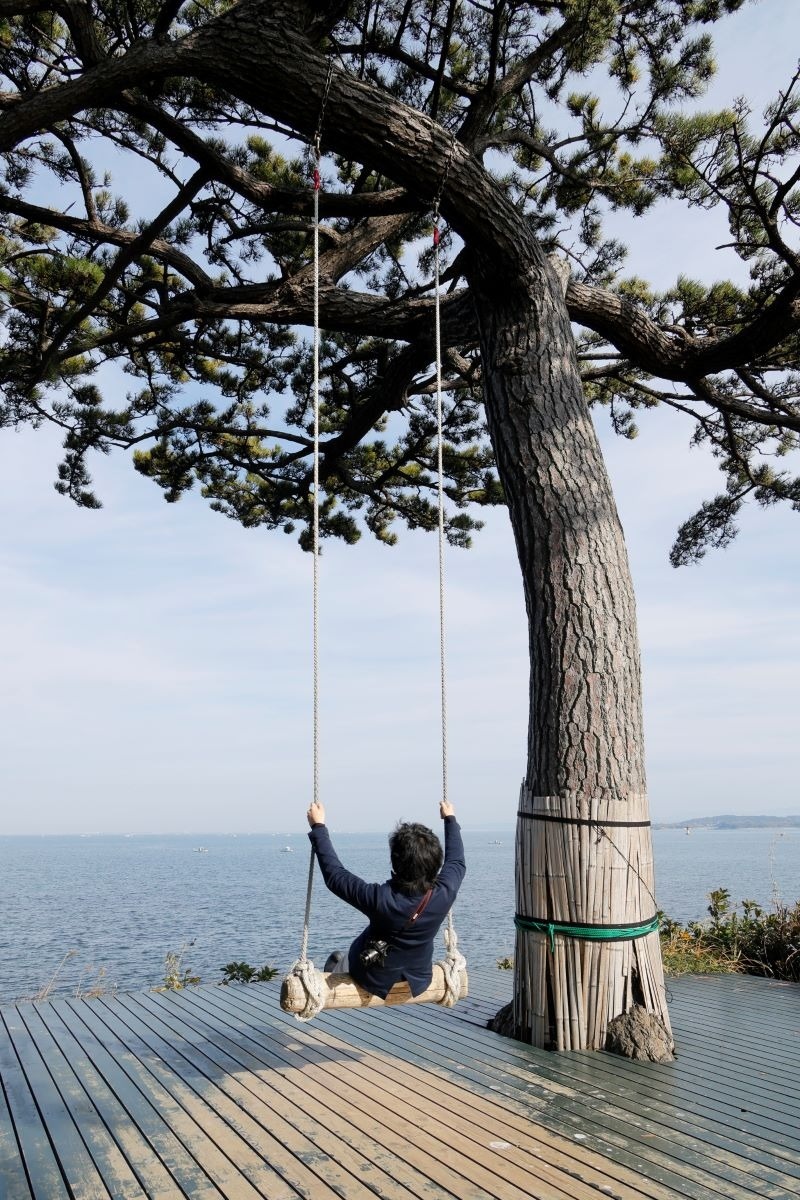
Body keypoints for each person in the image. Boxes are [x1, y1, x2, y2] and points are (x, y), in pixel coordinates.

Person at [306, 799, 466, 999]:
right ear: (436, 861)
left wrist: (318, 826)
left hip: (373, 978)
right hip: (418, 978)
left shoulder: (380, 899)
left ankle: (337, 966)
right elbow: (457, 861)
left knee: (346, 956)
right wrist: (450, 819)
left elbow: (335, 876)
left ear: (395, 861)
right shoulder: (445, 892)